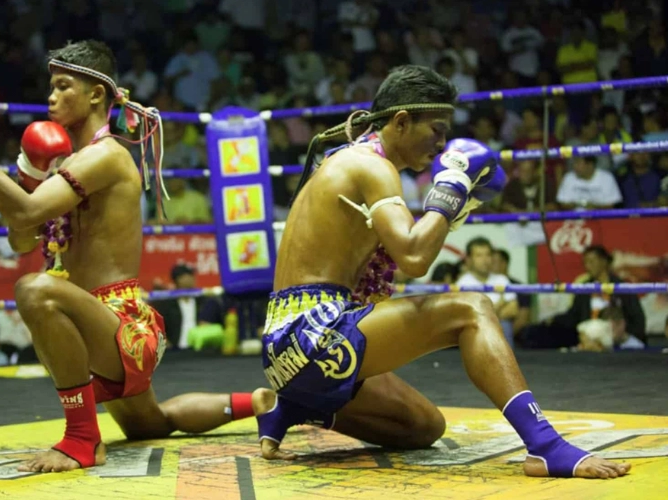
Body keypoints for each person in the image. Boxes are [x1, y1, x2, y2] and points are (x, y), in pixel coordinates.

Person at [255, 65, 630, 479]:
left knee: (423, 427)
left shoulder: (346, 159)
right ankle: (545, 446)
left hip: (286, 346)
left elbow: (402, 252)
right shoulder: (372, 167)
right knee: (472, 309)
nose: (442, 142)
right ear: (401, 121)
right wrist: (452, 188)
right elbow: (414, 257)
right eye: (435, 129)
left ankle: (290, 406)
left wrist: (456, 205)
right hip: (316, 331)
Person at [0, 40, 259, 473]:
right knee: (152, 424)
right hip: (100, 335)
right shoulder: (69, 163)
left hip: (121, 326)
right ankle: (258, 402)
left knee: (35, 290)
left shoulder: (107, 156)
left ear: (96, 94)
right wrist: (27, 180)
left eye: (63, 86)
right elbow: (23, 241)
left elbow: (26, 215)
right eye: (50, 86)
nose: (51, 96)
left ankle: (82, 439)